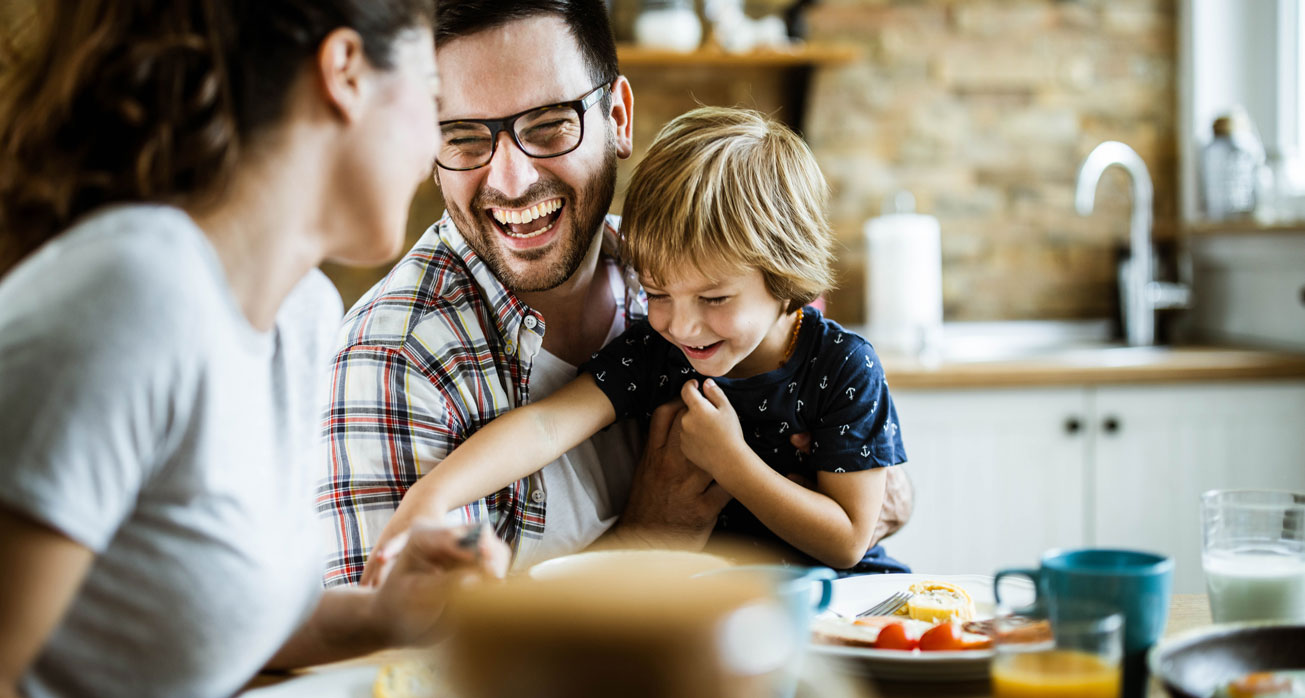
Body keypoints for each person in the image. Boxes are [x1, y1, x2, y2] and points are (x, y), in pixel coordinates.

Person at [0, 2, 508, 697]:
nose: (432, 150)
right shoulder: (134, 295)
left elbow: (208, 620)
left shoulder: (299, 315)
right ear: (346, 73)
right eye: (431, 93)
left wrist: (387, 613)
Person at [322, 0, 913, 587]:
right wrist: (650, 536)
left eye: (549, 124)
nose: (512, 179)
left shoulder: (674, 267)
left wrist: (819, 469)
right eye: (465, 138)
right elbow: (413, 667)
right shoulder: (396, 358)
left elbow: (865, 516)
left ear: (618, 118)